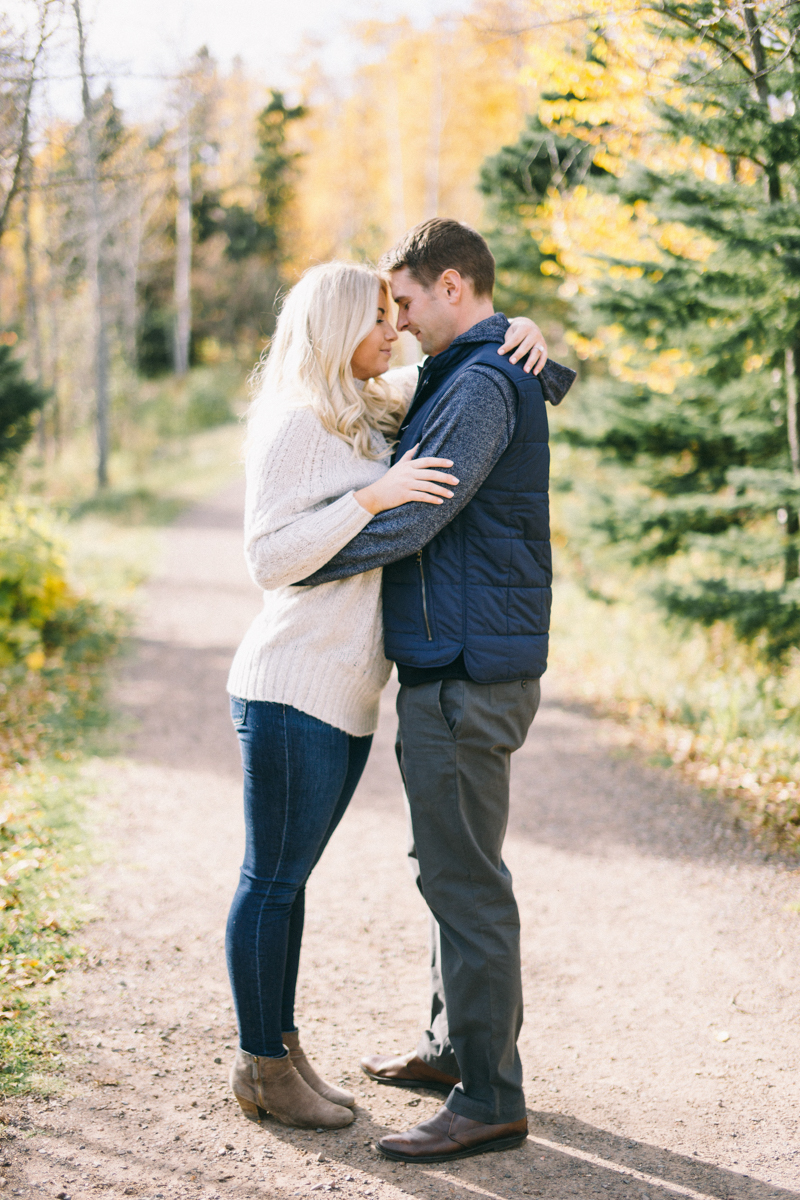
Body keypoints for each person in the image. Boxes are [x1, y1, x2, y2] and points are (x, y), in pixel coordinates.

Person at [224, 258, 551, 1131]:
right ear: (335, 330)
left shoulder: (368, 402)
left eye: (394, 310)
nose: (393, 328)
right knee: (273, 880)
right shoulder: (298, 421)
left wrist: (526, 331)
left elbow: (470, 366)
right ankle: (262, 1062)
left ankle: (282, 1050)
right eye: (376, 316)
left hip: (345, 695)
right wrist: (368, 500)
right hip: (292, 684)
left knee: (290, 882)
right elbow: (269, 560)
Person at [301, 219, 576, 1162]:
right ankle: (454, 1045)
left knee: (465, 882)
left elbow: (421, 513)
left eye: (407, 301)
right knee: (448, 865)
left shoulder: (483, 378)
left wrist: (306, 556)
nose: (401, 321)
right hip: (457, 661)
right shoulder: (480, 367)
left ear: (454, 286)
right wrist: (522, 335)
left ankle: (491, 1096)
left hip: (465, 670)